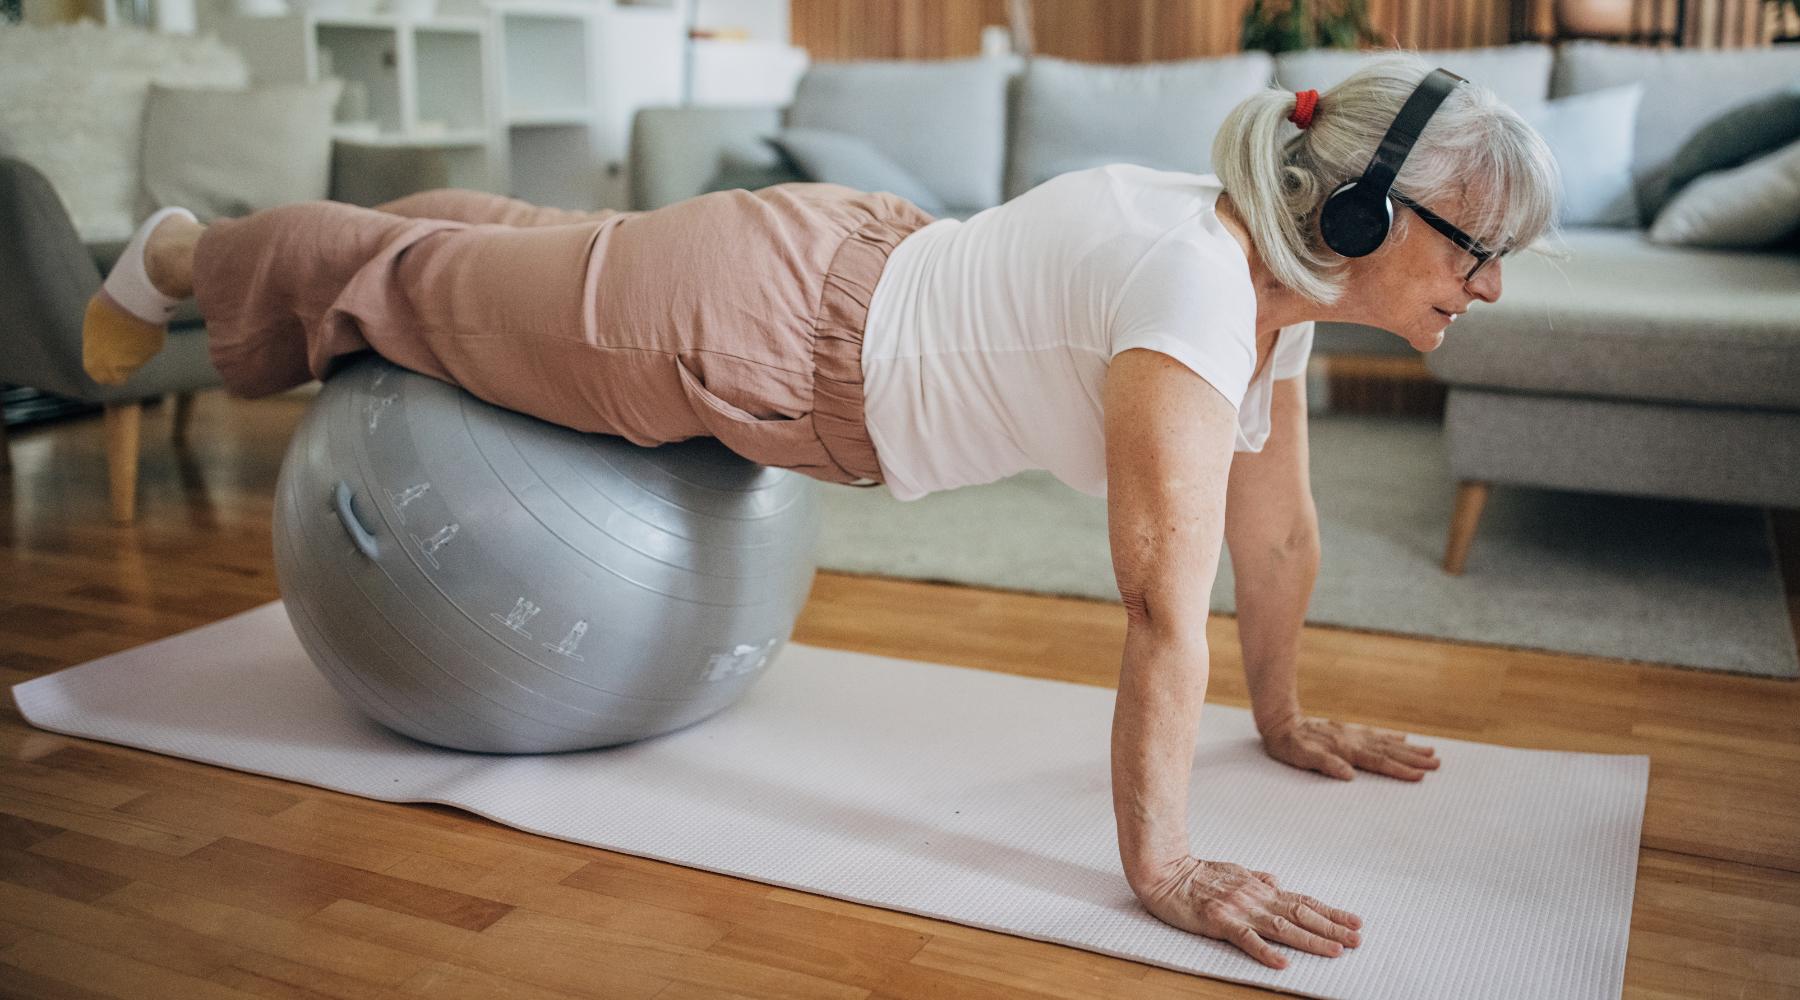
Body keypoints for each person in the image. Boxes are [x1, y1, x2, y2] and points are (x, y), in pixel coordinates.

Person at [82, 52, 1559, 969]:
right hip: (747, 336)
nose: (1489, 285)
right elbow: (1166, 600)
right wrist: (1159, 869)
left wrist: (1287, 720)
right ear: (1362, 212)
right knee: (417, 295)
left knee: (510, 265)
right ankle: (183, 256)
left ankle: (338, 239)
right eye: (1476, 248)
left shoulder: (1268, 291)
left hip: (817, 276)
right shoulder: (1191, 290)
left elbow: (1278, 537)